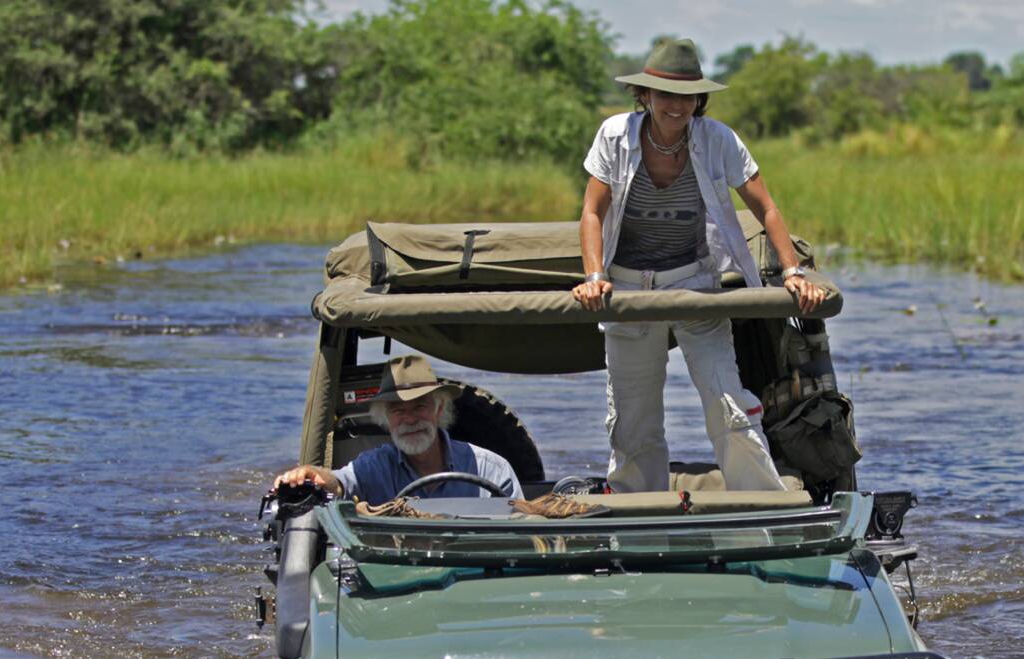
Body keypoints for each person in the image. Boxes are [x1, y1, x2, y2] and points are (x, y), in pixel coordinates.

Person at [572, 37, 825, 494]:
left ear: (699, 99)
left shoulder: (717, 140)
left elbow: (766, 208)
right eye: (666, 95)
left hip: (694, 281)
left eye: (687, 96)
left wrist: (793, 272)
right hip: (627, 287)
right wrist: (594, 278)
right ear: (645, 96)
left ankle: (762, 504)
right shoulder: (615, 135)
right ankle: (636, 506)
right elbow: (591, 212)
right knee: (633, 417)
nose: (677, 106)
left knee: (727, 401)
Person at [273, 355, 520, 503]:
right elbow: (338, 483)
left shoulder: (492, 470)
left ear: (439, 409)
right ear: (386, 418)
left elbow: (521, 533)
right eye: (398, 410)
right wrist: (308, 473)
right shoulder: (374, 467)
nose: (409, 419)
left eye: (419, 406)